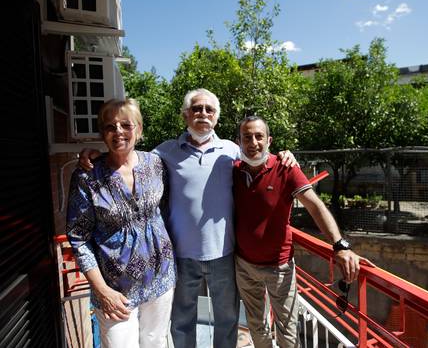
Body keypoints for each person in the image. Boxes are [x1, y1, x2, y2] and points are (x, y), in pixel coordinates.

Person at [79, 89, 297, 347]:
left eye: (209, 110)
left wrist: (286, 155)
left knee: (226, 320)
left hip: (224, 254)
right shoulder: (165, 152)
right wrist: (98, 156)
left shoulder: (231, 150)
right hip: (180, 256)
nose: (202, 114)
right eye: (196, 109)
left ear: (216, 117)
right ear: (185, 115)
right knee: (182, 322)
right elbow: (128, 155)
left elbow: (260, 158)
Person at [233, 115, 374, 348]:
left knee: (287, 332)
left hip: (279, 267)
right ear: (239, 141)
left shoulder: (285, 169)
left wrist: (339, 245)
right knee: (257, 327)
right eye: (247, 137)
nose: (253, 142)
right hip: (244, 266)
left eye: (259, 136)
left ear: (269, 140)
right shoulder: (234, 170)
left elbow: (315, 206)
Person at [67, 98, 175, 348]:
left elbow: (164, 209)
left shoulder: (156, 164)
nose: (118, 132)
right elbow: (79, 238)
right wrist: (102, 290)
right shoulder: (86, 175)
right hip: (115, 288)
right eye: (110, 126)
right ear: (102, 133)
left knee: (156, 342)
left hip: (161, 277)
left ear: (139, 129)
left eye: (126, 125)